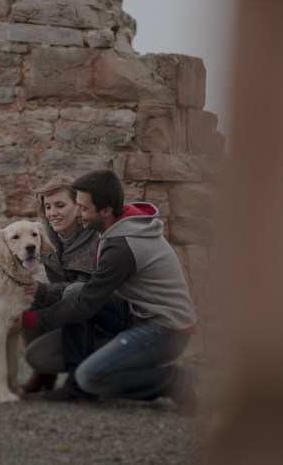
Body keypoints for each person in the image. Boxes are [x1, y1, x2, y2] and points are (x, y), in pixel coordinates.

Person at [19, 169, 199, 412]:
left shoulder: (122, 246)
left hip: (165, 329)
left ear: (105, 210)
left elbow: (87, 305)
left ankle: (175, 381)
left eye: (82, 208)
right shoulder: (115, 225)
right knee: (76, 292)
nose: (77, 213)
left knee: (91, 377)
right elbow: (82, 294)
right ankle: (76, 389)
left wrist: (28, 320)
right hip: (136, 313)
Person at [19, 175, 101, 393]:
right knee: (24, 303)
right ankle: (44, 377)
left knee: (37, 356)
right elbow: (15, 235)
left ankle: (98, 372)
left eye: (60, 205)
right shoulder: (44, 230)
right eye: (47, 206)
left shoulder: (95, 236)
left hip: (95, 316)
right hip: (65, 306)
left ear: (78, 207)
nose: (52, 213)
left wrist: (42, 290)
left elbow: (86, 291)